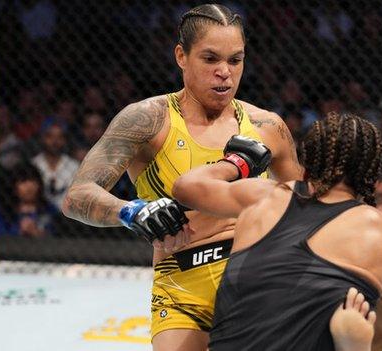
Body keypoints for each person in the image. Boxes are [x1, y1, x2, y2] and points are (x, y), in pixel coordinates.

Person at [62, 4, 302, 350]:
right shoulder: (147, 120)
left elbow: (304, 209)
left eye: (235, 60)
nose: (225, 73)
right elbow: (77, 196)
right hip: (180, 288)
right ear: (181, 56)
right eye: (210, 59)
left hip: (257, 280)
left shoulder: (267, 126)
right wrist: (132, 212)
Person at [172, 112, 382, 350]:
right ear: (371, 172)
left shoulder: (264, 197)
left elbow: (186, 187)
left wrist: (237, 162)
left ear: (308, 159)